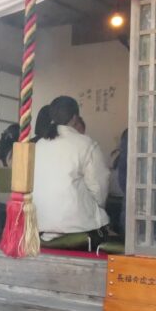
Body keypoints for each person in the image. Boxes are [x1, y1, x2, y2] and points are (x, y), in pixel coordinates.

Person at [32, 96, 110, 246]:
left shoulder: (39, 144)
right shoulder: (86, 143)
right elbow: (100, 186)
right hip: (77, 226)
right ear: (75, 117)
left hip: (39, 224)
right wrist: (95, 207)